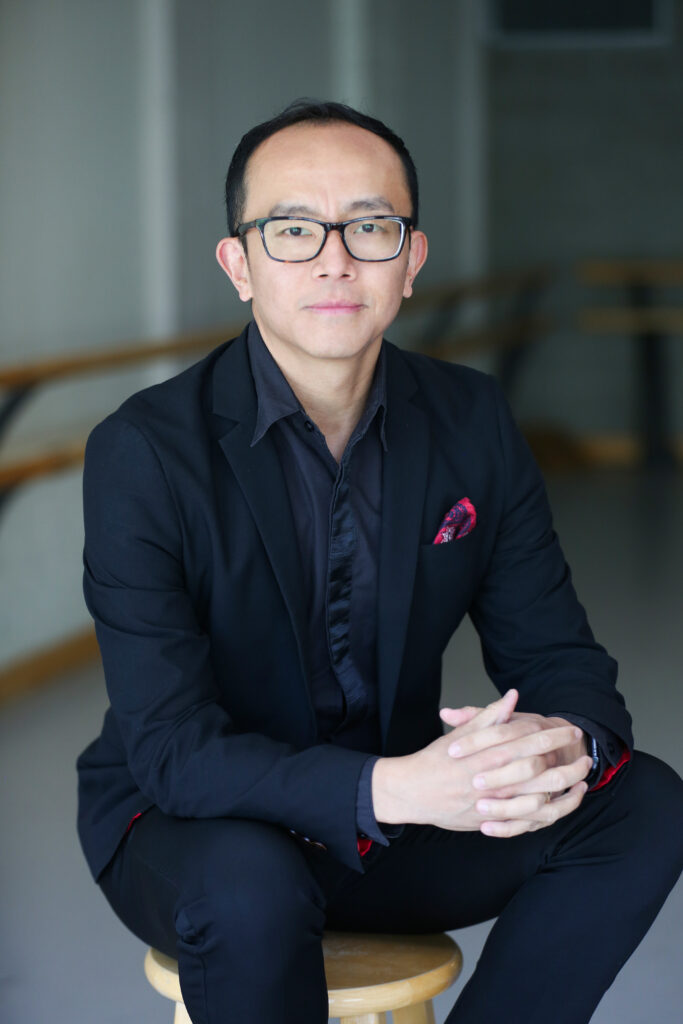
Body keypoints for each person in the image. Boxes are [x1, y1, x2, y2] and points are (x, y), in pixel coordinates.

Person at [76, 100, 683, 1023]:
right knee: (250, 888)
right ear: (239, 264)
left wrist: (565, 746)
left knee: (641, 802)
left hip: (398, 818)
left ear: (411, 259)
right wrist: (391, 786)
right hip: (195, 823)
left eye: (369, 227)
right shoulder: (145, 451)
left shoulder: (471, 419)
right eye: (291, 229)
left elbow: (561, 658)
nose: (334, 258)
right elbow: (170, 749)